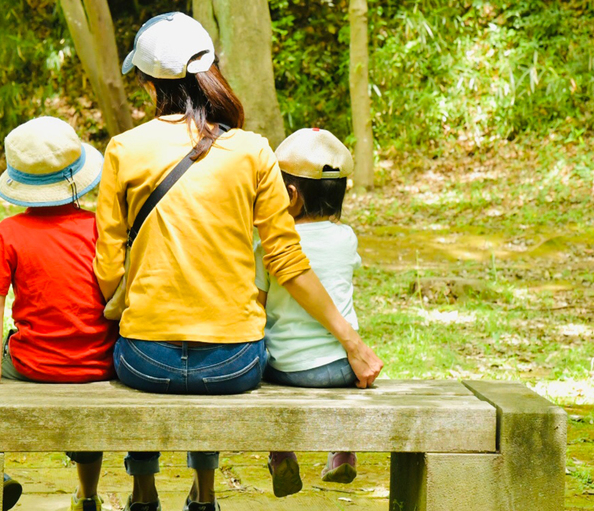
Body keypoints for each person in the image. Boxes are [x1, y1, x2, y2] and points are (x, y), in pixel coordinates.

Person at [93, 13, 383, 511]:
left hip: (144, 361)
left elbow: (107, 269)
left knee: (149, 363)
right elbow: (288, 261)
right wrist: (353, 345)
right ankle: (204, 497)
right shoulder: (253, 151)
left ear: (148, 84)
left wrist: (131, 305)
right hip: (234, 364)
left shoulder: (123, 149)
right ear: (212, 70)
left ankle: (142, 490)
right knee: (208, 371)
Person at [0, 116, 117, 511]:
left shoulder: (5, 234)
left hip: (34, 363)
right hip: (99, 363)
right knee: (87, 417)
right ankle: (88, 493)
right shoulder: (100, 228)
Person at [255, 128, 368, 498]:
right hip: (342, 367)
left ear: (288, 195)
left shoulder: (268, 244)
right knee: (351, 378)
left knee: (261, 371)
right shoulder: (346, 237)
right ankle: (343, 453)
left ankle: (281, 453)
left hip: (285, 368)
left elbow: (257, 302)